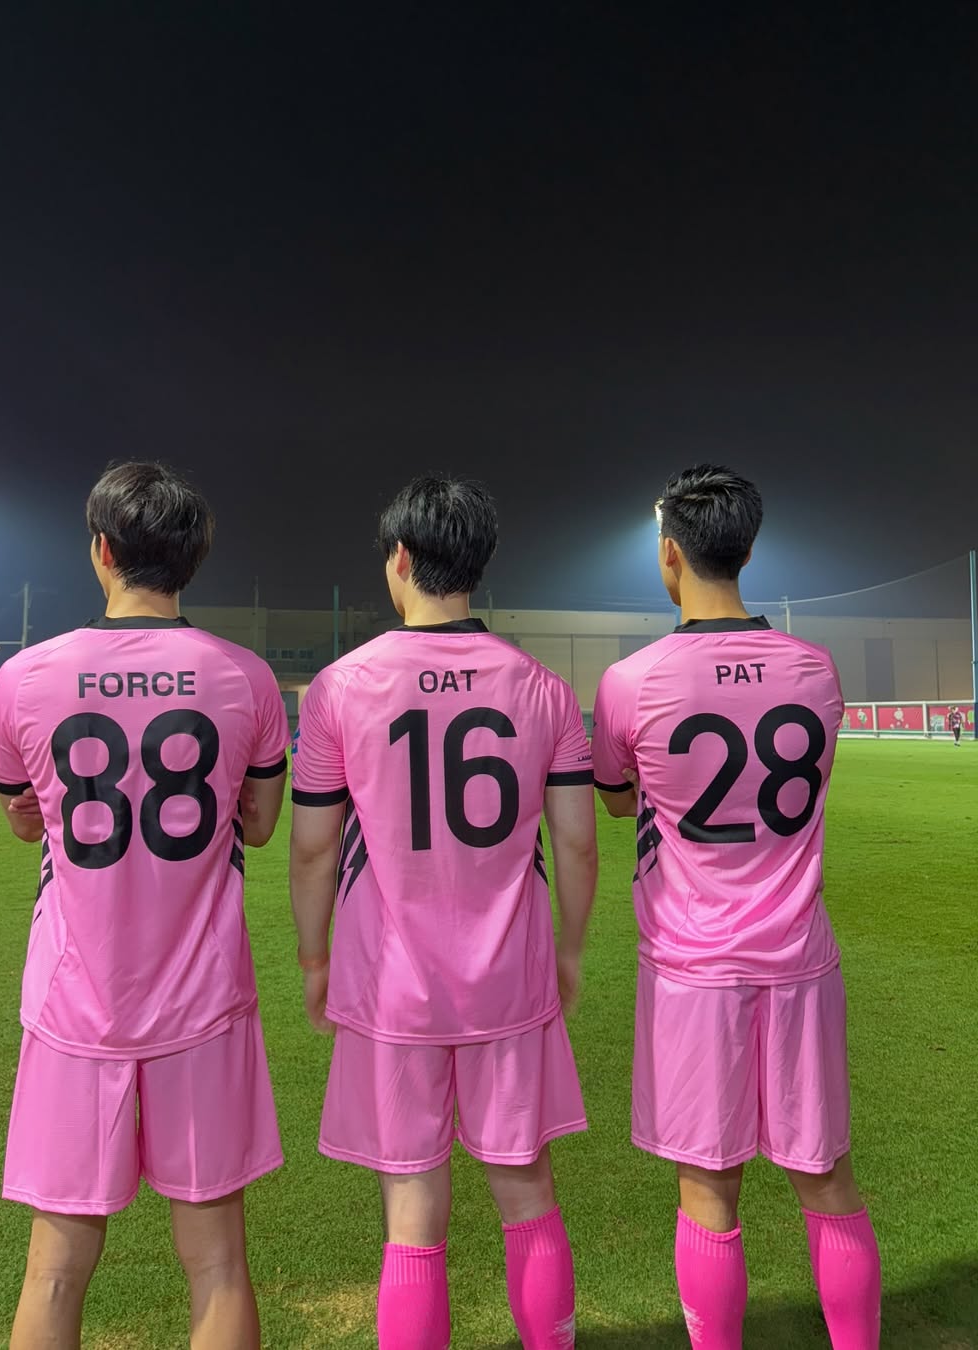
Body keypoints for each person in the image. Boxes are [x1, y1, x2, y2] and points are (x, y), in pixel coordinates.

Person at [0, 462, 289, 1350]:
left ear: (103, 552)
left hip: (74, 1005)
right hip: (203, 1005)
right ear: (192, 560)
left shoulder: (26, 677)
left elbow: (24, 818)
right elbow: (261, 823)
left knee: (53, 1269)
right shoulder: (244, 677)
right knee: (218, 1264)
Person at [289, 475, 597, 1350]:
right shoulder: (542, 688)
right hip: (510, 982)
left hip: (392, 991)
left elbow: (312, 850)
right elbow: (577, 844)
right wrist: (572, 950)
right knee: (527, 1194)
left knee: (412, 1208)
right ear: (478, 563)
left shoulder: (340, 688)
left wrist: (314, 959)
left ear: (399, 559)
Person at [592, 465, 881, 1350]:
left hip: (693, 971)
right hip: (800, 960)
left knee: (709, 1190)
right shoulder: (816, 670)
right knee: (827, 1180)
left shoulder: (631, 679)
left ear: (668, 554)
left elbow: (616, 798)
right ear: (748, 551)